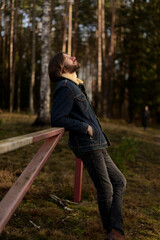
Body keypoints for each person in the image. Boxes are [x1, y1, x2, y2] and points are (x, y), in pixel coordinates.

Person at [48, 52, 127, 240]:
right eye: (68, 57)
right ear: (61, 67)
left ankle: (114, 228)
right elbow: (57, 118)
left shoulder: (76, 85)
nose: (74, 57)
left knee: (120, 182)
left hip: (98, 143)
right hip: (87, 145)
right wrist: (85, 127)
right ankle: (114, 232)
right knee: (106, 189)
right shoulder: (65, 87)